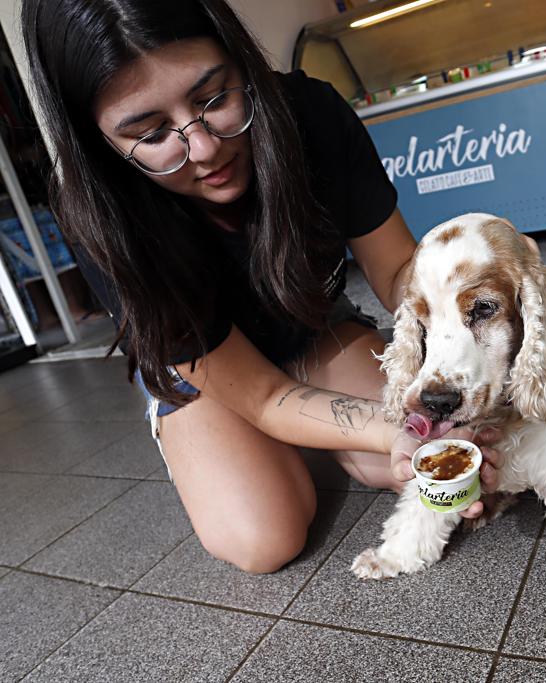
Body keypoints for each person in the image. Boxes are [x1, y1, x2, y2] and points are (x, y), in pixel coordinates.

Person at [21, 0, 504, 574]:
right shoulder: (97, 216)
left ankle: (313, 408)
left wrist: (472, 316)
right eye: (151, 134)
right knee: (263, 538)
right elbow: (262, 397)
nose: (205, 149)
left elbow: (398, 270)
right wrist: (394, 425)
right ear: (97, 140)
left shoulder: (311, 113)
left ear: (238, 56)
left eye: (214, 98)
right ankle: (197, 427)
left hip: (309, 322)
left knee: (415, 458)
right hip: (213, 372)